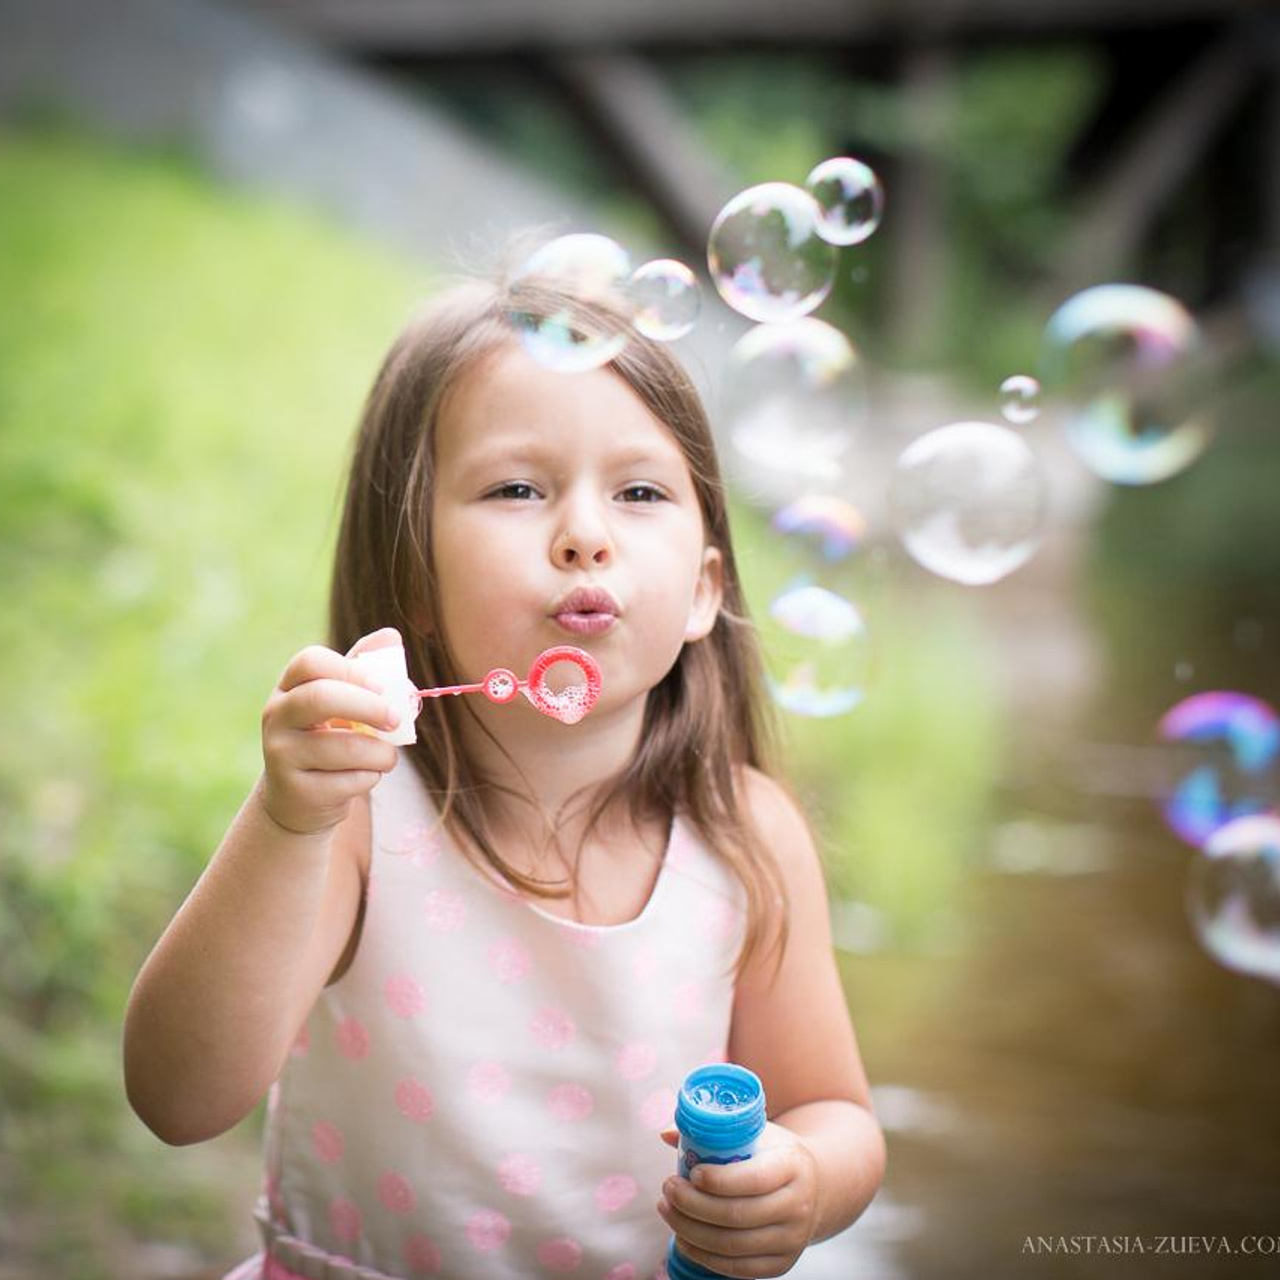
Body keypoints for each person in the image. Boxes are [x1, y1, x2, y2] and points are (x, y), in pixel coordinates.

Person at [123, 270, 886, 1280]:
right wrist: (286, 820)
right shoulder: (358, 816)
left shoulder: (745, 833)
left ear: (703, 589)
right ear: (414, 579)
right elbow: (178, 1097)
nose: (583, 533)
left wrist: (802, 1179)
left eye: (641, 491)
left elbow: (832, 1112)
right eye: (516, 487)